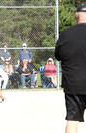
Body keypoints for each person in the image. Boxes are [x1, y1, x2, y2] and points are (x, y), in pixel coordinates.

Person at [55, 2, 86, 133]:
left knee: (73, 120)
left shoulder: (66, 34)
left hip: (73, 84)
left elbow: (58, 56)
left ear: (76, 15)